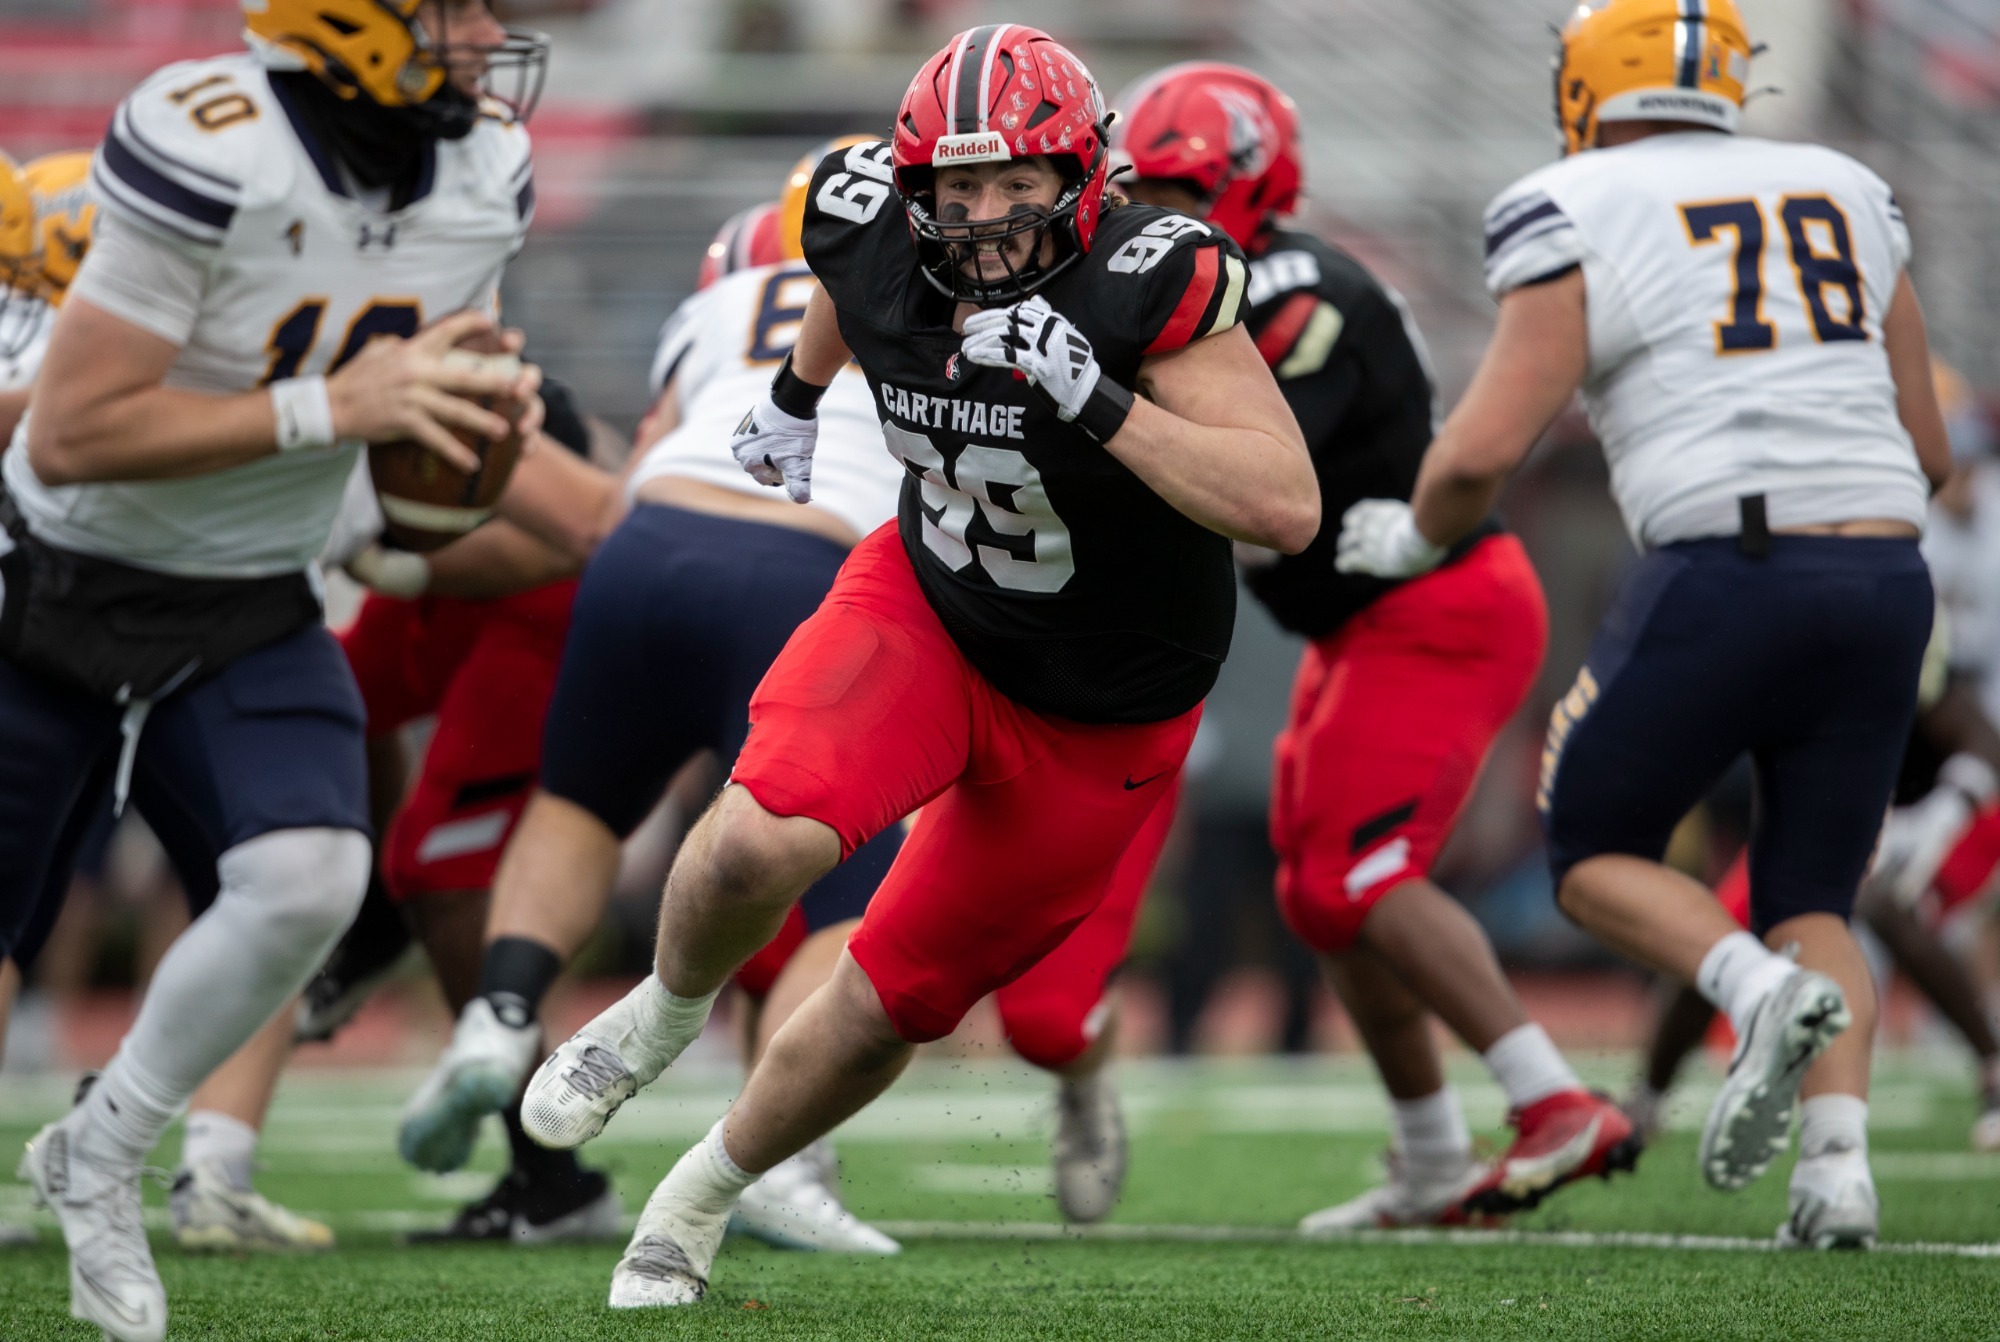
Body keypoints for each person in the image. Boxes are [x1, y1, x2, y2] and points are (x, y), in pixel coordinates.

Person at [521, 24, 1317, 1307]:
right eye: (957, 190)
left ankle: (699, 1196)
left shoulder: (1146, 280)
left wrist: (1101, 402)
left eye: (1016, 187)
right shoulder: (864, 219)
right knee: (752, 842)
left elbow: (1283, 506)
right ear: (915, 190)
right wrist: (791, 392)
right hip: (933, 611)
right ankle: (659, 1016)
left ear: (1084, 179)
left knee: (891, 997)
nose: (986, 217)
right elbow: (851, 280)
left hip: (1106, 715)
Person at [1336, 0, 1949, 1250]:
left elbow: (1485, 447)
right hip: (1886, 574)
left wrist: (1407, 536)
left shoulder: (1578, 202)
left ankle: (1751, 986)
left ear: (1587, 86)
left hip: (1729, 563)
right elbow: (1925, 448)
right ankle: (1836, 1175)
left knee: (1593, 847)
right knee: (1812, 887)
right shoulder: (1845, 184)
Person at [6, 1, 548, 1335]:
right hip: (50, 582)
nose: (488, 33)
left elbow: (428, 419)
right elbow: (70, 434)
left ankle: (107, 1148)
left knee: (313, 874)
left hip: (248, 595)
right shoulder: (214, 138)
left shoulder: (483, 169)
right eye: (458, 5)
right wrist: (335, 410)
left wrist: (471, 428)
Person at [1114, 62, 1638, 1230]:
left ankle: (1549, 1095)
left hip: (1437, 606)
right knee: (1315, 893)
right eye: (1140, 189)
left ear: (1252, 184)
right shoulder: (1222, 283)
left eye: (1180, 188)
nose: (1156, 215)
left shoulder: (1293, 289)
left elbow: (1237, 493)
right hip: (1363, 623)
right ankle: (1429, 1157)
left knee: (1363, 873)